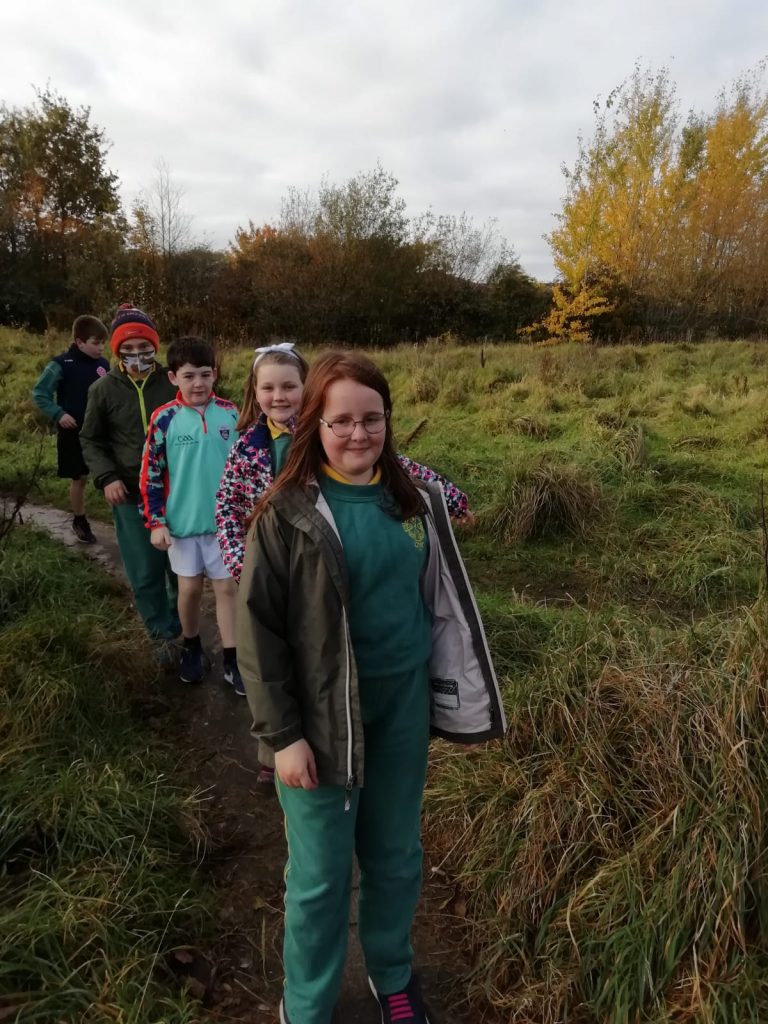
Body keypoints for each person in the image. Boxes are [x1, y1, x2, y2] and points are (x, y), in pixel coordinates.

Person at [237, 351, 506, 1024]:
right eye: (342, 421)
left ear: (388, 419)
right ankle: (307, 1002)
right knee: (322, 873)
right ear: (315, 424)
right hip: (320, 720)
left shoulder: (412, 502)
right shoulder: (287, 513)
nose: (359, 434)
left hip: (401, 707)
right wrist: (284, 737)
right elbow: (259, 634)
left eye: (373, 418)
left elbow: (438, 601)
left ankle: (393, 975)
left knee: (394, 854)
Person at [217, 343, 473, 585]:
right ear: (255, 391)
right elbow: (228, 505)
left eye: (289, 386)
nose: (278, 397)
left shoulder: (325, 434)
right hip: (272, 560)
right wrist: (242, 564)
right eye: (268, 388)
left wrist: (451, 499)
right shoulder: (244, 450)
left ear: (308, 387)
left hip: (327, 554)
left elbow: (400, 466)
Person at [140, 336, 242, 693]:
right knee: (190, 590)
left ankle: (233, 659)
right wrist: (156, 522)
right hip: (182, 527)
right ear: (173, 378)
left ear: (214, 374)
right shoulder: (164, 419)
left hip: (225, 525)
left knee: (227, 588)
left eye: (204, 374)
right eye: (188, 376)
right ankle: (192, 647)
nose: (198, 383)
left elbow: (243, 467)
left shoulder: (232, 413)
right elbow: (151, 474)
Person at [80, 303, 180, 657]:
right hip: (130, 493)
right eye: (129, 347)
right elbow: (90, 438)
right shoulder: (103, 389)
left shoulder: (173, 382)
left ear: (155, 345)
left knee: (181, 567)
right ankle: (161, 635)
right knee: (145, 568)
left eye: (144, 346)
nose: (138, 354)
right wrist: (106, 477)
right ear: (117, 350)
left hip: (177, 490)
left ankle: (184, 626)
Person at [32, 315, 110, 544]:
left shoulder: (104, 365)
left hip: (100, 432)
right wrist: (59, 414)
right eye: (96, 343)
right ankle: (80, 520)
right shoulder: (61, 364)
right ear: (79, 342)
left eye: (103, 343)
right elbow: (40, 393)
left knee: (110, 474)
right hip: (73, 431)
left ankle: (121, 517)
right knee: (80, 477)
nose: (101, 348)